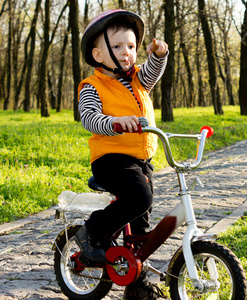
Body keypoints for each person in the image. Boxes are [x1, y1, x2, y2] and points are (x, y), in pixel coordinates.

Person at [75, 9, 168, 299]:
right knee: (140, 197)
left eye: (131, 46)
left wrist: (159, 55)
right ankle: (91, 231)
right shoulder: (93, 86)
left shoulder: (138, 79)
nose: (127, 53)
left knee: (142, 230)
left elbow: (152, 71)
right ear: (99, 55)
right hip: (110, 159)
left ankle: (135, 283)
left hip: (141, 160)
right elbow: (89, 118)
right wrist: (115, 123)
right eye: (117, 47)